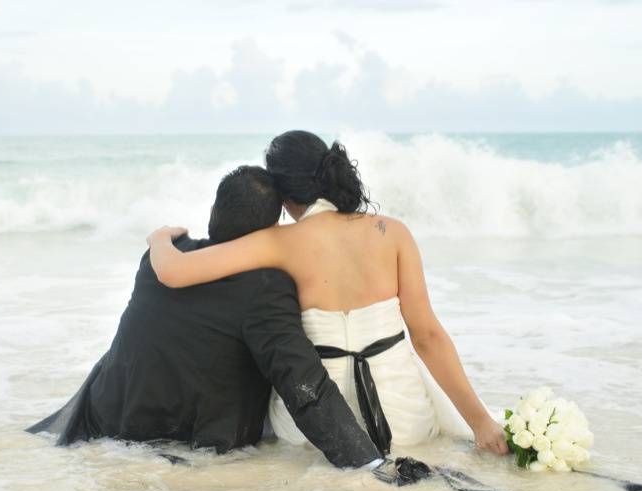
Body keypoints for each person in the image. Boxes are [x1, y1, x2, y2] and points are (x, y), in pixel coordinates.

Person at [146, 131, 509, 457]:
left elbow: (173, 272)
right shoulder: (393, 233)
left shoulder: (276, 243)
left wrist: (159, 238)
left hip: (314, 431)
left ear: (283, 194)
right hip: (405, 416)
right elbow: (428, 337)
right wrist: (481, 423)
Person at [26, 166, 383, 469]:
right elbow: (303, 382)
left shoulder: (163, 258)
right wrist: (367, 463)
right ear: (269, 231)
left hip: (106, 420)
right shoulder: (266, 287)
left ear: (214, 209)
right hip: (192, 445)